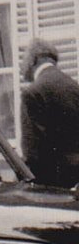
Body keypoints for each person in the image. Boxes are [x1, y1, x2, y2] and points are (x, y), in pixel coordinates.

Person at [20, 39, 79, 188]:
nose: (22, 66)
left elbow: (31, 150)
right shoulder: (74, 87)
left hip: (50, 182)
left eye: (24, 59)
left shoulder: (32, 92)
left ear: (33, 60)